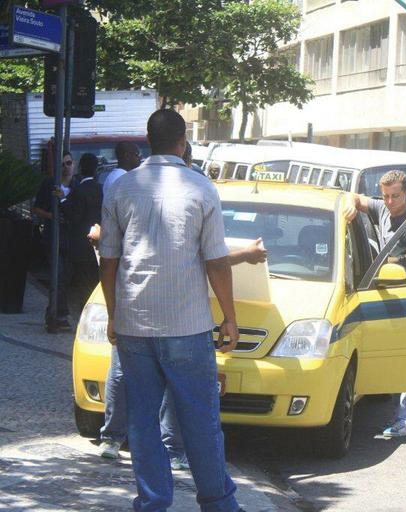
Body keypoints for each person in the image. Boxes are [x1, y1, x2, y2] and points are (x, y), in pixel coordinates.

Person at [99, 109, 241, 511]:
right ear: (182, 143)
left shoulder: (121, 188)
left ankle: (153, 503)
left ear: (148, 140)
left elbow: (108, 260)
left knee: (142, 424)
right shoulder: (201, 189)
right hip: (187, 325)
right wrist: (229, 317)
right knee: (200, 421)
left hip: (134, 324)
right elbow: (216, 261)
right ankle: (218, 504)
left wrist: (113, 313)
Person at [343, 170, 406, 438]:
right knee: (396, 360)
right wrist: (349, 204)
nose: (390, 202)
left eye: (396, 196)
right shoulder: (381, 209)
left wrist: (400, 261)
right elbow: (355, 198)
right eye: (386, 196)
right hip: (388, 295)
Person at [32, 151, 75, 332]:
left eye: (69, 163)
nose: (66, 167)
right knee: (58, 275)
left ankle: (54, 311)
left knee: (66, 276)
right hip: (54, 237)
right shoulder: (49, 183)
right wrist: (52, 216)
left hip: (70, 239)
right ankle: (59, 315)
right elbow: (36, 208)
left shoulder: (77, 185)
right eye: (62, 164)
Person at [60, 153, 102, 316]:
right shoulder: (101, 188)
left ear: (80, 168)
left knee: (82, 284)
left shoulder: (78, 190)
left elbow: (75, 217)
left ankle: (86, 315)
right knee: (95, 282)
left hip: (80, 244)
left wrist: (63, 201)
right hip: (99, 241)